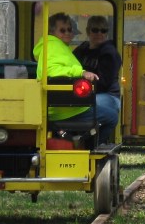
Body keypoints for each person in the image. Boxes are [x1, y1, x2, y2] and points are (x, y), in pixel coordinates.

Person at [33, 12, 118, 144]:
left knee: (103, 106)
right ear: (51, 32)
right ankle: (89, 148)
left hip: (67, 106)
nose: (67, 33)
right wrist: (81, 72)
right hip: (66, 110)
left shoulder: (60, 48)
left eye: (69, 29)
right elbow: (51, 71)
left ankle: (79, 143)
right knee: (112, 117)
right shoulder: (53, 47)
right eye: (62, 30)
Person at [73, 15, 121, 144]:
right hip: (83, 93)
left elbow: (104, 83)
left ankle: (95, 144)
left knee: (88, 105)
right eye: (95, 30)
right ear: (88, 31)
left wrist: (83, 88)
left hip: (108, 96)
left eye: (103, 30)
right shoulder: (81, 49)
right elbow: (71, 65)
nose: (99, 33)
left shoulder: (109, 53)